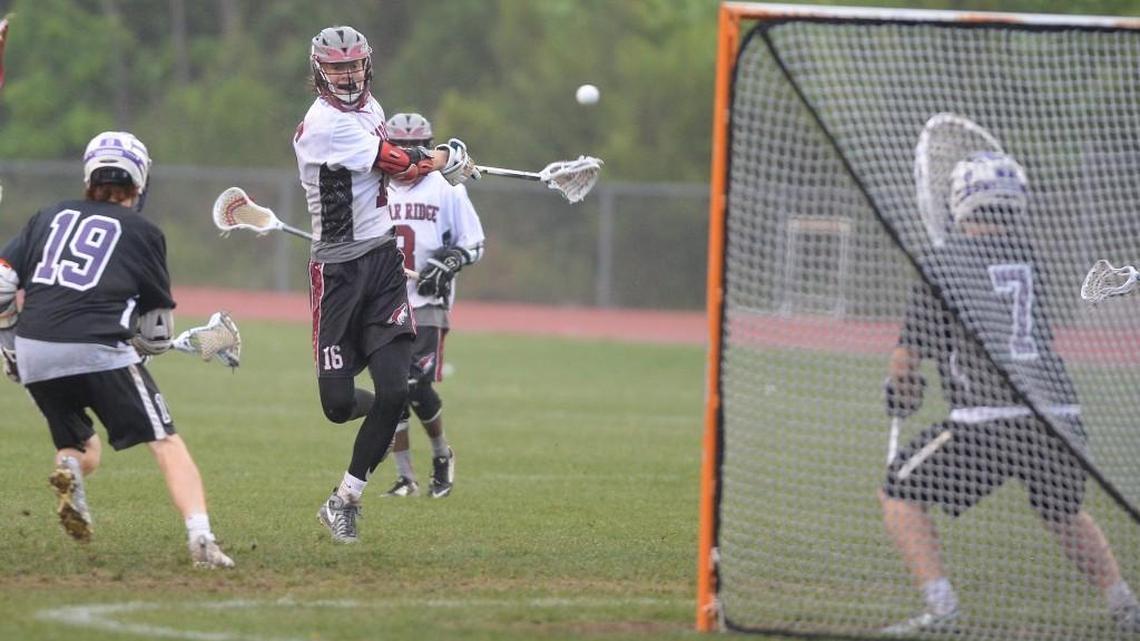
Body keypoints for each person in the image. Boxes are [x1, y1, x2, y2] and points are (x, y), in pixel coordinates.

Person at [879, 150, 1140, 634]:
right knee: (1063, 512)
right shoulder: (1036, 262)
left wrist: (902, 390)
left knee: (898, 492)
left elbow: (905, 360)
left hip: (989, 422)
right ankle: (1123, 604)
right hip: (1059, 418)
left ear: (961, 200)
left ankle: (942, 609)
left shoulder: (942, 263)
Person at [0, 131, 234, 568]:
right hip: (98, 348)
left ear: (90, 175)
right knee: (164, 441)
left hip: (35, 350)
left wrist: (11, 345)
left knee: (83, 446)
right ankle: (201, 538)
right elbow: (157, 330)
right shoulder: (144, 231)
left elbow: (2, 284)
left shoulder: (47, 214)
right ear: (139, 181)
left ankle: (69, 472)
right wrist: (143, 348)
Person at [293, 26, 478, 542]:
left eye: (354, 66)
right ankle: (386, 413)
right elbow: (400, 164)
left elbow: (399, 173)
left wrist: (439, 165)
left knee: (398, 387)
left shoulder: (371, 110)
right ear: (320, 72)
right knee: (336, 407)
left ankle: (345, 498)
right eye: (337, 68)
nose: (348, 75)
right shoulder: (327, 124)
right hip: (336, 273)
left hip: (381, 264)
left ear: (366, 66)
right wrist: (446, 158)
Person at [378, 112, 485, 499]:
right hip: (384, 302)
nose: (406, 155)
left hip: (427, 302)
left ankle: (442, 455)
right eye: (399, 147)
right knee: (391, 391)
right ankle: (405, 478)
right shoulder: (376, 187)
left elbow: (474, 242)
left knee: (413, 385)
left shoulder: (447, 187)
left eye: (415, 146)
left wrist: (450, 260)